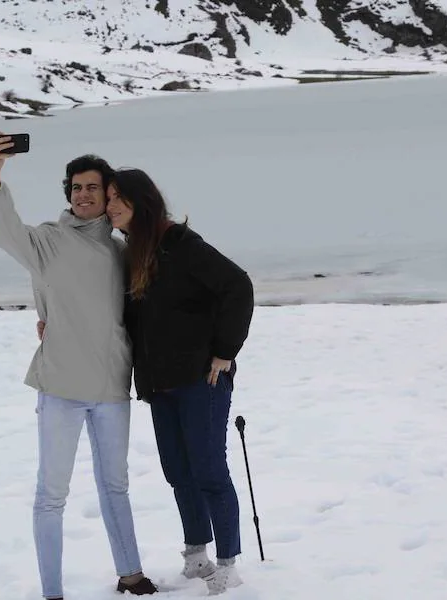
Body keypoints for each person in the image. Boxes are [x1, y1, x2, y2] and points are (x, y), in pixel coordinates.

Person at [0, 133, 157, 599]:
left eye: (93, 187)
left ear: (108, 196)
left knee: (115, 486)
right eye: (76, 187)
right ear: (68, 192)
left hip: (112, 385)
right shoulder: (46, 241)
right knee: (51, 495)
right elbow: (5, 231)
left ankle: (131, 573)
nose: (83, 194)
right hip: (60, 384)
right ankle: (52, 591)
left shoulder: (123, 251)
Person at [107, 168, 254, 595]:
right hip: (159, 383)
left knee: (208, 470)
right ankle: (196, 556)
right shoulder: (133, 250)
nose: (112, 205)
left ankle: (228, 563)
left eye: (122, 198)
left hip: (200, 380)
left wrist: (225, 353)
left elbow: (237, 286)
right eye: (110, 197)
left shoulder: (180, 243)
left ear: (143, 201)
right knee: (178, 472)